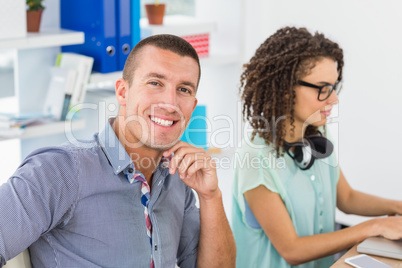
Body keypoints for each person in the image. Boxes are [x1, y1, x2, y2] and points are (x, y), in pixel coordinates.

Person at [0, 34, 236, 267]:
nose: (170, 103)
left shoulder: (179, 178)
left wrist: (210, 196)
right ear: (123, 92)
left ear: (193, 106)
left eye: (184, 89)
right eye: (155, 83)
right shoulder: (60, 170)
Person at [231, 26, 402, 268]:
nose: (334, 99)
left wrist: (397, 207)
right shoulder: (255, 160)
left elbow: (347, 198)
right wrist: (376, 226)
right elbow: (292, 249)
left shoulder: (317, 133)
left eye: (335, 87)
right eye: (323, 89)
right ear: (286, 89)